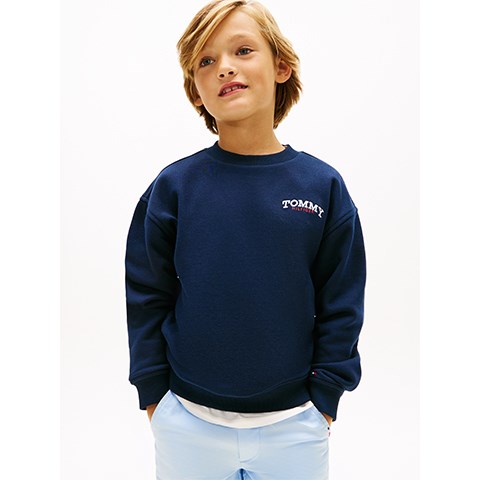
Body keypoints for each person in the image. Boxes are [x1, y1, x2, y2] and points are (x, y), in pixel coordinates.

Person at [125, 1, 366, 478]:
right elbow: (147, 295)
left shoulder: (322, 187)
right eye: (206, 60)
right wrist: (154, 396)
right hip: (187, 420)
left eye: (242, 50)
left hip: (295, 423)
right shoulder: (174, 188)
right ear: (196, 92)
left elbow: (341, 301)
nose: (224, 67)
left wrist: (325, 399)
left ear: (281, 67)